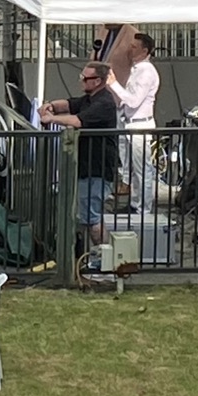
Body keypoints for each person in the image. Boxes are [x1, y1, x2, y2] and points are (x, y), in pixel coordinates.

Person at [42, 60, 122, 250]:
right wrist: (51, 105)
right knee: (87, 216)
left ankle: (106, 262)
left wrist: (51, 118)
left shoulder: (104, 103)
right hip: (88, 167)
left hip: (98, 168)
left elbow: (78, 121)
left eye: (85, 79)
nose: (82, 81)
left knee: (91, 218)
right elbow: (70, 104)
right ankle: (100, 260)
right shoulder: (89, 99)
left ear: (98, 81)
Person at [108, 32, 160, 213]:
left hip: (140, 125)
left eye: (134, 47)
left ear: (144, 50)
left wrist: (114, 84)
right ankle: (135, 203)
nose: (130, 49)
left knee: (141, 169)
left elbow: (134, 100)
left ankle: (142, 209)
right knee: (133, 168)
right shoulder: (137, 69)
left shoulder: (146, 71)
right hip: (131, 123)